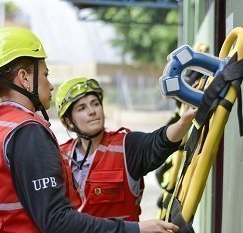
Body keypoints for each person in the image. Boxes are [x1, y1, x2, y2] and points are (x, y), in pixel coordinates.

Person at [0, 26, 179, 233]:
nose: (50, 85)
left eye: (95, 104)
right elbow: (56, 221)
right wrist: (136, 229)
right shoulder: (27, 132)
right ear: (25, 78)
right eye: (46, 75)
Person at [55, 77, 197, 222]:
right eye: (82, 108)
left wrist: (183, 122)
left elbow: (159, 141)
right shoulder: (59, 156)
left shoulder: (127, 146)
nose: (92, 111)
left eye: (95, 104)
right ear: (68, 122)